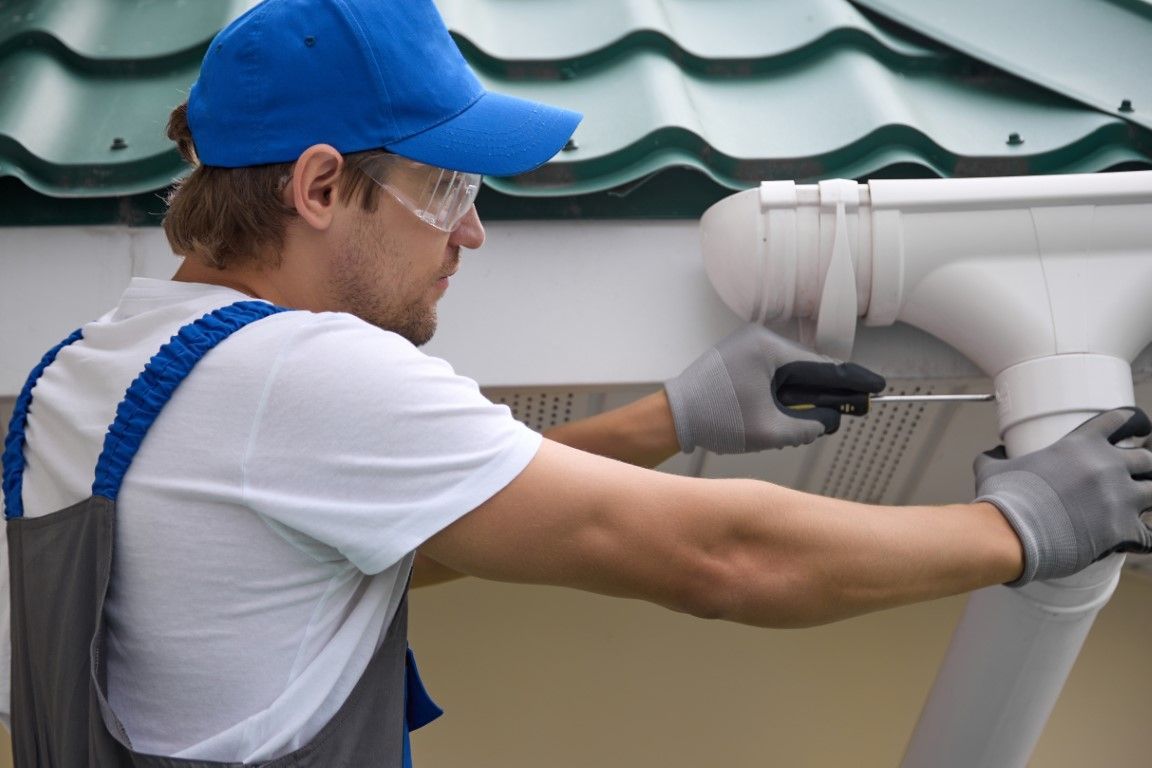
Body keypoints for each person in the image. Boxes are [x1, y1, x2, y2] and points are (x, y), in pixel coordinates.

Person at [3, 0, 1151, 765]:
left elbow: (391, 548)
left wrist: (672, 420)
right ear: (317, 187)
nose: (473, 236)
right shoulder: (299, 373)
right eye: (448, 189)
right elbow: (726, 559)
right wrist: (1021, 523)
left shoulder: (84, 378)